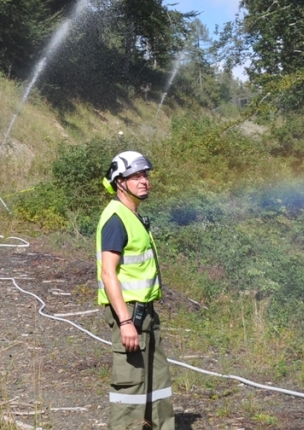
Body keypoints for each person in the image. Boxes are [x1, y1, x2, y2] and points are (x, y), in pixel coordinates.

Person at [96, 150, 175, 429]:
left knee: (158, 385)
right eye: (136, 176)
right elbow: (108, 273)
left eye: (145, 175)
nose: (144, 181)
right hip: (129, 315)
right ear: (120, 182)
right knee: (130, 390)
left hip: (146, 314)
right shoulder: (116, 218)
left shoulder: (132, 215)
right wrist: (125, 321)